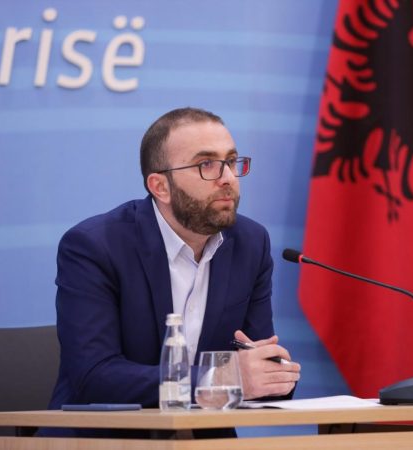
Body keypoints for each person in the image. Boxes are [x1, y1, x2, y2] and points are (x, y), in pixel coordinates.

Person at [44, 107, 301, 437]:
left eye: (231, 161)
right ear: (160, 186)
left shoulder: (250, 244)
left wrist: (271, 375)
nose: (227, 178)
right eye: (206, 164)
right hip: (104, 440)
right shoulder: (95, 246)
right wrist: (222, 378)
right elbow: (94, 377)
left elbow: (254, 367)